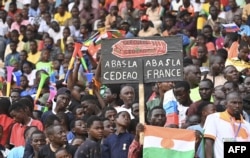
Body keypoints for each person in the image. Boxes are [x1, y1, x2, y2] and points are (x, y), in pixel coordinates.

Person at [204, 92, 250, 158]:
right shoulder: (215, 118)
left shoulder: (247, 125)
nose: (237, 106)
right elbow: (208, 142)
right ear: (226, 104)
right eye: (234, 103)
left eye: (240, 103)